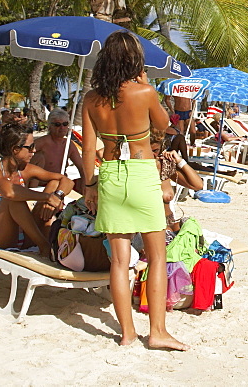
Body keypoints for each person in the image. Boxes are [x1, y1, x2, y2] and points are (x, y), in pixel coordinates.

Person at [80, 30, 186, 351]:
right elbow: (163, 124)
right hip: (141, 172)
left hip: (109, 174)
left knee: (119, 261)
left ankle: (126, 334)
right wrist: (143, 83)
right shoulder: (145, 92)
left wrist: (89, 186)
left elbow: (87, 150)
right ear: (135, 61)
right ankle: (156, 332)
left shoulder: (90, 99)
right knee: (157, 256)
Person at [0, 122, 72, 252]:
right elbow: (9, 192)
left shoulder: (25, 170)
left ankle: (45, 241)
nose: (34, 151)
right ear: (15, 149)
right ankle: (44, 245)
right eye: (31, 147)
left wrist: (57, 195)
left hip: (26, 234)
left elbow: (66, 180)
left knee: (54, 183)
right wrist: (47, 197)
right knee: (12, 199)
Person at [150, 128, 203, 232]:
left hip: (169, 224)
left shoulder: (164, 166)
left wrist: (180, 161)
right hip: (151, 229)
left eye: (155, 151)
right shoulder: (135, 171)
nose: (153, 155)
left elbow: (198, 185)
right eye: (149, 151)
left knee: (191, 226)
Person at [30, 108, 83, 189]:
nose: (62, 127)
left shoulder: (69, 144)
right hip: (41, 186)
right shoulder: (42, 142)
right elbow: (23, 157)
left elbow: (81, 167)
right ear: (50, 126)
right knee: (39, 157)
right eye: (57, 124)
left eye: (65, 124)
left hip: (61, 183)